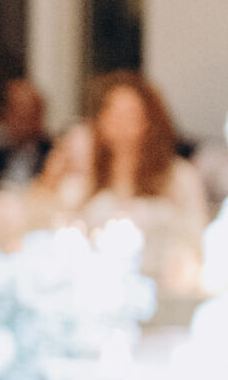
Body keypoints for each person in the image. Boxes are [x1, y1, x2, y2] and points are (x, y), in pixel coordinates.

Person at [74, 72, 211, 298]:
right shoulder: (87, 176)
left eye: (129, 115)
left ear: (149, 119)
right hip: (100, 290)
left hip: (162, 289)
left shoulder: (178, 175)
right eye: (113, 113)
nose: (120, 124)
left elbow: (197, 235)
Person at [0, 77, 52, 192]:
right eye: (17, 113)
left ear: (39, 116)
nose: (21, 122)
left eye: (27, 114)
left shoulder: (52, 157)